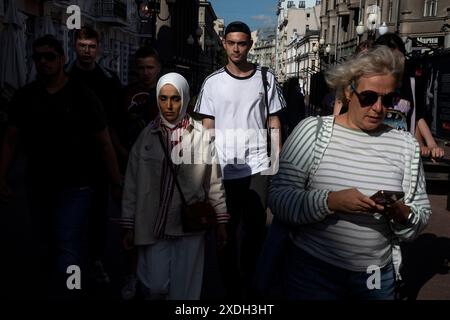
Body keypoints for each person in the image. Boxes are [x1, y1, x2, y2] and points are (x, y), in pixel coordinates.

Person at [269, 46, 431, 300]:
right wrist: (331, 201)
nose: (379, 108)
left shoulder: (405, 144)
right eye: (369, 97)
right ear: (348, 91)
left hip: (374, 275)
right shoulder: (312, 131)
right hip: (313, 270)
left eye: (387, 99)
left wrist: (399, 212)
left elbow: (419, 215)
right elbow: (279, 199)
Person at [0, 35, 122, 298]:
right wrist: (2, 176)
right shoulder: (25, 96)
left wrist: (116, 181)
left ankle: (71, 290)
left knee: (68, 243)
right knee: (45, 242)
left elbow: (103, 142)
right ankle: (54, 285)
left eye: (50, 56)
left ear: (61, 59)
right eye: (38, 57)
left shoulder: (83, 95)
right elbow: (10, 140)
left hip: (77, 185)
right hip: (38, 184)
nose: (43, 62)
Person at [194, 21, 285, 298]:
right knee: (226, 231)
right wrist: (205, 168)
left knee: (257, 228)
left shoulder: (266, 78)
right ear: (224, 43)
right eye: (231, 42)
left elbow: (274, 121)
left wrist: (276, 163)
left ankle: (250, 278)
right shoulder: (213, 82)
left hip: (258, 166)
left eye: (242, 43)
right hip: (224, 168)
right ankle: (230, 284)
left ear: (250, 44)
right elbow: (207, 127)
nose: (236, 48)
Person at [121, 72, 229, 300]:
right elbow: (131, 183)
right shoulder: (147, 136)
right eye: (163, 98)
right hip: (154, 223)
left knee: (185, 291)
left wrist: (220, 221)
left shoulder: (202, 136)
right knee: (155, 286)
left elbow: (214, 182)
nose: (169, 105)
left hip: (189, 225)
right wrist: (129, 223)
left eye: (175, 98)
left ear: (185, 98)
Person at [66, 26, 123, 284]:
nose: (87, 52)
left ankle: (96, 260)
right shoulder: (64, 76)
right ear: (74, 47)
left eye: (91, 46)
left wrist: (116, 167)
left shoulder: (108, 80)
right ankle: (71, 263)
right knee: (68, 214)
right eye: (82, 46)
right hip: (68, 159)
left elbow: (115, 122)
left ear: (98, 49)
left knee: (98, 213)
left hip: (99, 159)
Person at [118, 46, 161, 300]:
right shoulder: (126, 93)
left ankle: (154, 275)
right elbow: (111, 127)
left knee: (157, 226)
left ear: (158, 68)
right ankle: (133, 275)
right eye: (141, 67)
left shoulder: (169, 93)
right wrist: (123, 153)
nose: (146, 72)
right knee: (131, 226)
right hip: (130, 168)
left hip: (160, 171)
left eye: (150, 67)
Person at [374, 33, 444, 160]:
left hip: (403, 151)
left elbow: (417, 115)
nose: (394, 64)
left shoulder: (410, 81)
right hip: (376, 147)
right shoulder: (370, 81)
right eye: (388, 59)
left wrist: (431, 144)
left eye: (398, 58)